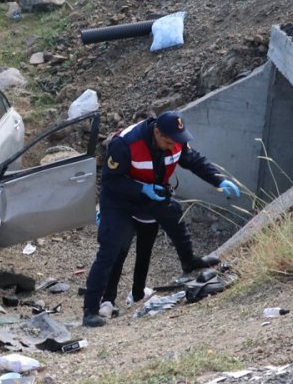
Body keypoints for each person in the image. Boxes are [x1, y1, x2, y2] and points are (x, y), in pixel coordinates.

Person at [82, 111, 241, 327]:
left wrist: (218, 181)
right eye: (170, 140)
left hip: (154, 192)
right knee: (111, 248)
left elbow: (193, 160)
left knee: (174, 217)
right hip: (120, 199)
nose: (175, 145)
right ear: (157, 132)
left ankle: (189, 260)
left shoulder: (175, 140)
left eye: (179, 140)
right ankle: (91, 309)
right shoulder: (126, 143)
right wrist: (142, 188)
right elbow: (110, 180)